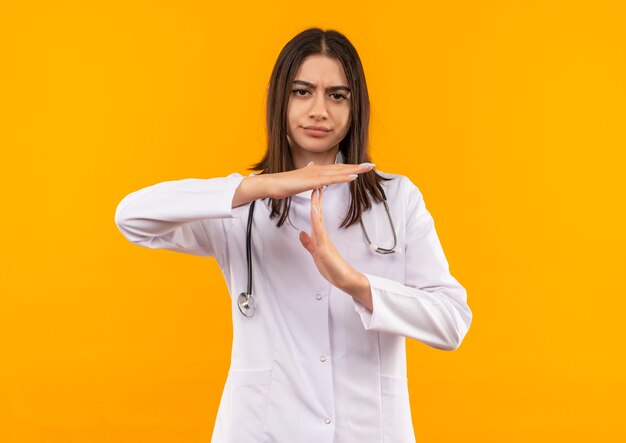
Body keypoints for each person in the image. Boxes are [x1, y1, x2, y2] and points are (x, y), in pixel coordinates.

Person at [115, 27, 472, 443]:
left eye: (337, 95)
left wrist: (354, 283)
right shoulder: (241, 207)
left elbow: (452, 322)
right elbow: (131, 217)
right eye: (303, 92)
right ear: (280, 99)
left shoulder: (396, 199)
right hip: (263, 430)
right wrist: (260, 186)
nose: (319, 110)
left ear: (356, 107)